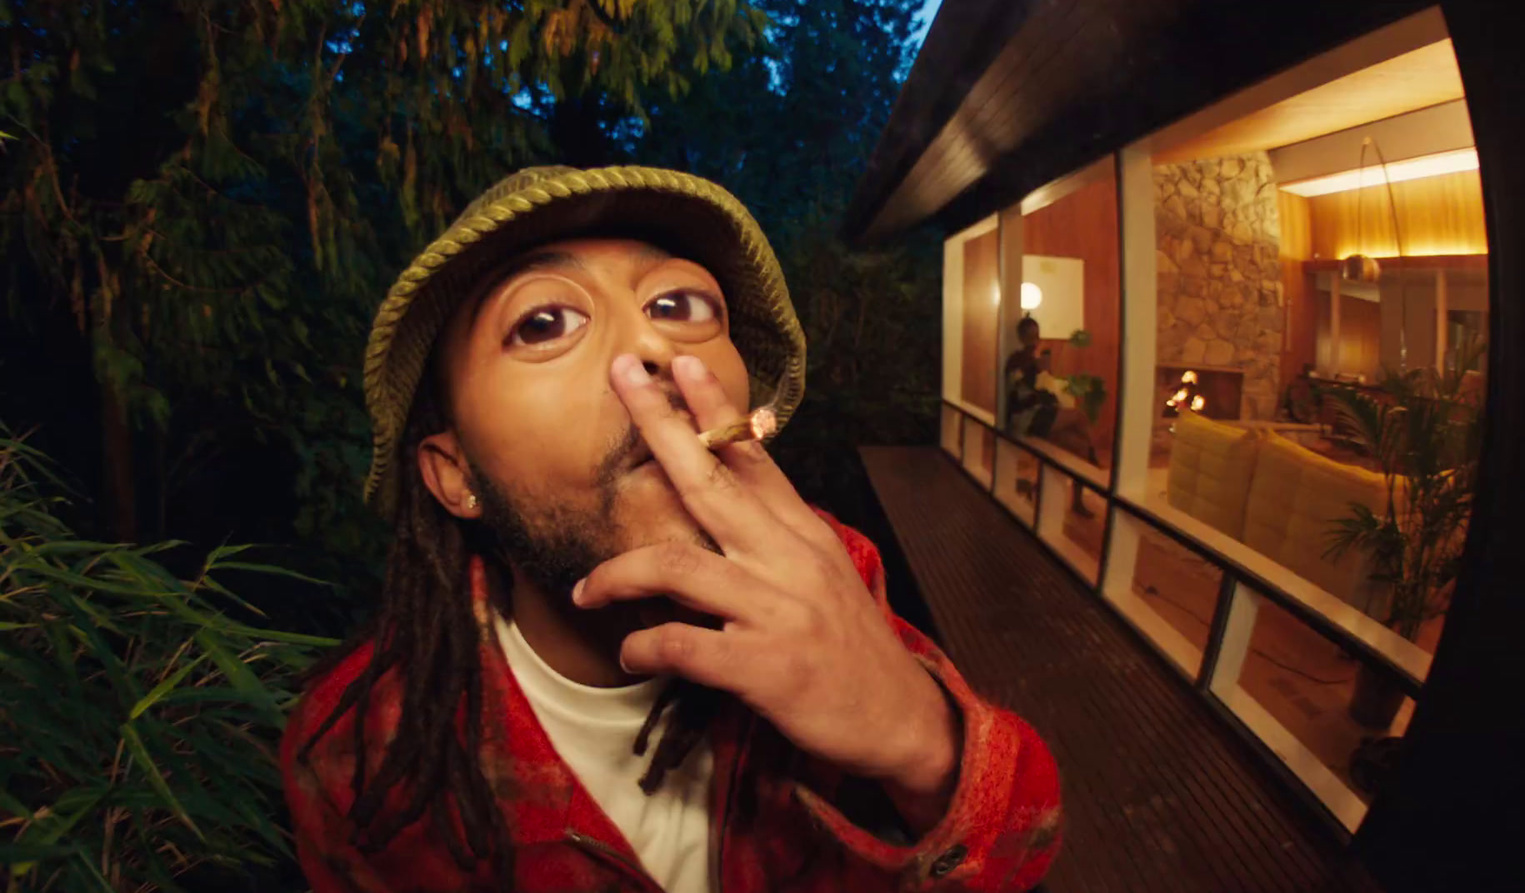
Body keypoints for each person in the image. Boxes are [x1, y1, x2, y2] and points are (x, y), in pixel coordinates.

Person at [280, 166, 1063, 893]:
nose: (653, 349)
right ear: (455, 475)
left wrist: (919, 737)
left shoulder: (828, 577)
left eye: (678, 305)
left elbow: (1028, 845)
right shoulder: (358, 754)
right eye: (546, 321)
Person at [1005, 316, 1097, 517]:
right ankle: (1094, 457)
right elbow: (1021, 395)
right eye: (1030, 335)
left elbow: (1044, 393)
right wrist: (1036, 369)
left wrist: (1043, 375)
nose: (1035, 339)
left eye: (1036, 334)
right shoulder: (1018, 360)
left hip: (1040, 418)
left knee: (1079, 445)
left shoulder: (1034, 360)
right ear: (1022, 337)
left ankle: (1077, 501)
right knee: (1079, 417)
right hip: (1026, 420)